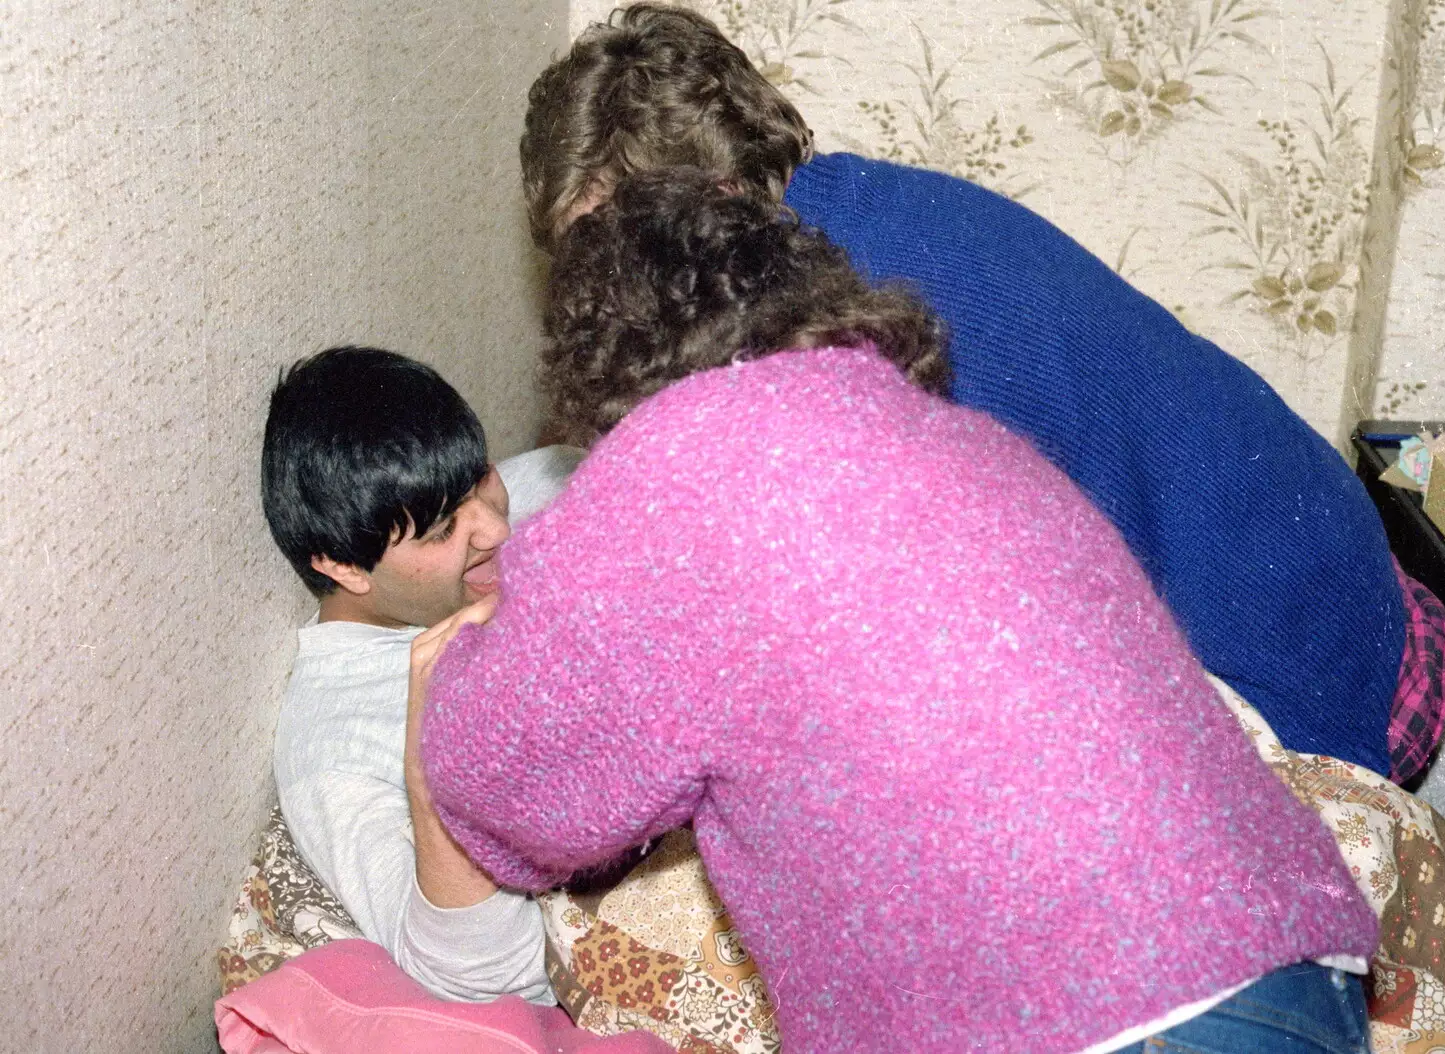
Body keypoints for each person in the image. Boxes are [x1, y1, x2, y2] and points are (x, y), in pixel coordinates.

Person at [422, 170, 1378, 1054]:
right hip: (1300, 966)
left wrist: (446, 668)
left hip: (1096, 1011)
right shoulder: (966, 442)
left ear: (599, 365)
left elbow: (504, 780)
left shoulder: (674, 477)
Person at [515, 3, 1445, 782]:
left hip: (1313, 695)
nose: (600, 289)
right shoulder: (864, 204)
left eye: (609, 247)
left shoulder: (826, 331)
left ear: (712, 199)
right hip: (1368, 595)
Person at [261, 345, 582, 1002]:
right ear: (344, 567)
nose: (495, 527)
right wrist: (433, 756)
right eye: (442, 529)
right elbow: (496, 978)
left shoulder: (551, 482)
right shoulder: (336, 755)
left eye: (483, 478)